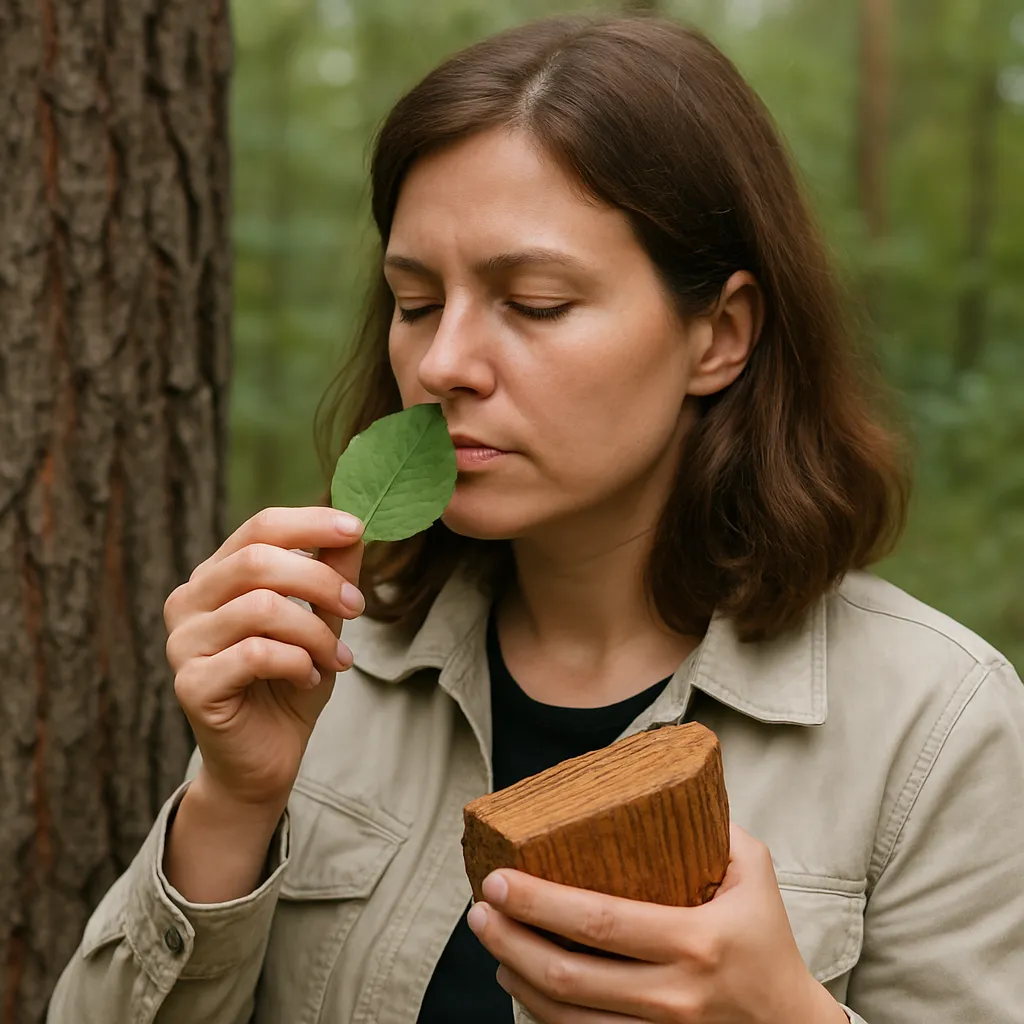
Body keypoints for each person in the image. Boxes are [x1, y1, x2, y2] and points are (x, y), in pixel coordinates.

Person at [49, 13, 1024, 1024]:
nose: (441, 364)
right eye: (416, 302)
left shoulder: (933, 726)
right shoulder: (325, 668)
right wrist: (231, 800)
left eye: (536, 302)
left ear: (718, 336)